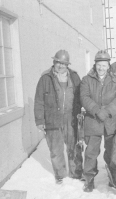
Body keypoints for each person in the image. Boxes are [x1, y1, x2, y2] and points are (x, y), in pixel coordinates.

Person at [34, 50, 83, 184]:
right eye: (58, 63)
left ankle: (76, 173)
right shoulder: (46, 78)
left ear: (67, 65)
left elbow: (81, 96)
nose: (61, 66)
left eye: (64, 63)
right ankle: (60, 174)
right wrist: (39, 120)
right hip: (52, 118)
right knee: (56, 149)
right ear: (54, 62)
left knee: (74, 146)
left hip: (71, 117)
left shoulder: (74, 77)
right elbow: (39, 100)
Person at [80, 50, 116, 192]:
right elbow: (84, 97)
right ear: (95, 64)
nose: (101, 68)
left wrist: (107, 111)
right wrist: (97, 111)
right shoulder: (87, 80)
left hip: (110, 121)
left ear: (108, 65)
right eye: (99, 65)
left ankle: (113, 177)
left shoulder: (115, 80)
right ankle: (89, 179)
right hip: (93, 120)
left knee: (112, 150)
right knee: (91, 152)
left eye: (104, 65)